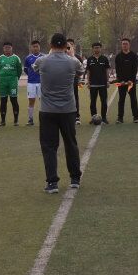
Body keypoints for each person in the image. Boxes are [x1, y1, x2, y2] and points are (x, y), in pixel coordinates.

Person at [32, 33, 83, 194]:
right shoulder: (73, 62)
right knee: (71, 144)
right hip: (68, 110)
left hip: (47, 110)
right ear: (66, 46)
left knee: (49, 147)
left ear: (50, 44)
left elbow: (35, 68)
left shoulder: (42, 61)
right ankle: (75, 179)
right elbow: (80, 72)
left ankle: (52, 182)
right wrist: (71, 54)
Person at [114, 38, 138, 124]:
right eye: (123, 44)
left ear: (129, 45)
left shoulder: (134, 56)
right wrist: (120, 80)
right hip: (121, 82)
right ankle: (120, 118)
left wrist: (131, 80)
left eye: (126, 44)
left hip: (131, 82)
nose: (125, 45)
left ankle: (136, 117)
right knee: (121, 100)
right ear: (121, 45)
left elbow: (134, 69)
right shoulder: (118, 56)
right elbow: (118, 70)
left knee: (133, 99)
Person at [0, 41, 23, 126]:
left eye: (9, 48)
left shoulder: (16, 58)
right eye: (5, 48)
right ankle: (3, 121)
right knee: (3, 101)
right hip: (2, 82)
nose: (7, 49)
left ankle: (16, 120)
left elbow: (19, 71)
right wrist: (3, 76)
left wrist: (14, 79)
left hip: (12, 82)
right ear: (3, 49)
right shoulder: (0, 58)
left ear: (12, 48)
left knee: (14, 100)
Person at [85, 42, 111, 124]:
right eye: (95, 47)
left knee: (104, 102)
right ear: (92, 49)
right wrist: (88, 82)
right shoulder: (89, 59)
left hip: (103, 84)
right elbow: (88, 71)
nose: (97, 49)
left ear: (101, 48)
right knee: (93, 102)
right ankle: (93, 118)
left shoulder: (104, 59)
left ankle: (104, 118)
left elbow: (107, 70)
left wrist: (107, 81)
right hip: (93, 84)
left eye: (98, 47)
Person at [24, 40, 44, 126]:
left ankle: (43, 119)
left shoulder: (44, 57)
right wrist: (31, 75)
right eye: (34, 47)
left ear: (39, 47)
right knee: (31, 100)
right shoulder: (28, 58)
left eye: (37, 46)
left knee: (42, 101)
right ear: (31, 48)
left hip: (42, 82)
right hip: (31, 82)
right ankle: (30, 119)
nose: (35, 48)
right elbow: (26, 70)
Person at [66, 38, 84, 124]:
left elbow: (81, 70)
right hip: (64, 82)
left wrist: (77, 78)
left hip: (73, 81)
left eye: (71, 44)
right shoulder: (62, 56)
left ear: (74, 46)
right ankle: (66, 116)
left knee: (75, 98)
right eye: (67, 45)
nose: (69, 46)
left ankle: (77, 116)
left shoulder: (78, 57)